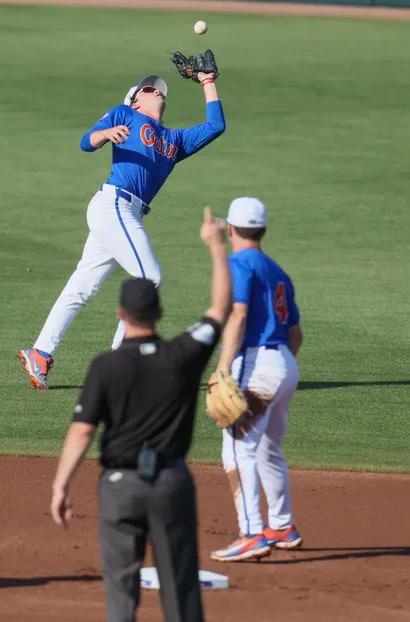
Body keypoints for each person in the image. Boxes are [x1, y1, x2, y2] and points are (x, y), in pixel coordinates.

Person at [50, 207, 231, 622]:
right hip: (171, 484)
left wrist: (61, 486)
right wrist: (216, 247)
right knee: (181, 588)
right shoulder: (183, 355)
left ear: (120, 315)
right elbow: (220, 309)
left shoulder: (106, 366)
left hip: (119, 487)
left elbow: (80, 433)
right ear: (160, 315)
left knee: (120, 589)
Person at [18, 63, 225, 389]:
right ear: (135, 101)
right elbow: (87, 141)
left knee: (82, 286)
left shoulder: (175, 140)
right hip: (113, 205)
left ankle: (40, 353)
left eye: (158, 89)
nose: (156, 90)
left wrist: (206, 80)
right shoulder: (124, 115)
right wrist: (104, 135)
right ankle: (122, 364)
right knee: (150, 277)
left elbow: (216, 126)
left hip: (126, 214)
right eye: (147, 88)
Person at [210, 197, 303, 563]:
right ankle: (281, 526)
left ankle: (252, 533)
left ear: (230, 229)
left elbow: (239, 314)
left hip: (257, 363)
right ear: (262, 230)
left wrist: (222, 368)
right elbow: (296, 334)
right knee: (267, 447)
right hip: (284, 364)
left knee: (236, 448)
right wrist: (280, 370)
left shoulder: (236, 263)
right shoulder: (278, 270)